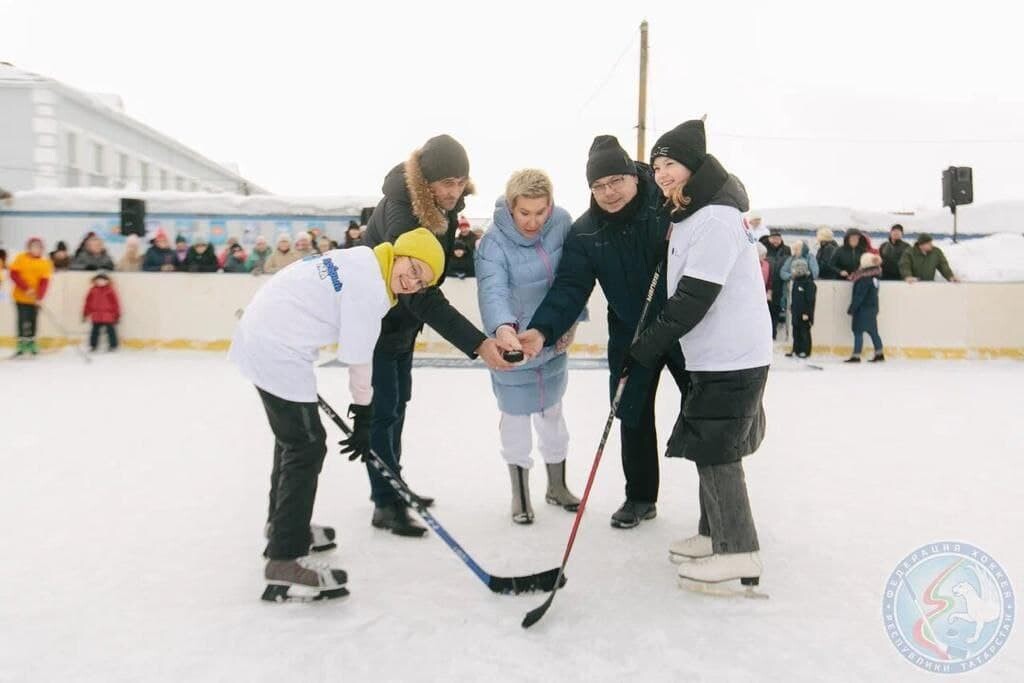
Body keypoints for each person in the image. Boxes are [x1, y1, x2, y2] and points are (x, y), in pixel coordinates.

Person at [230, 228, 444, 601]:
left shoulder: (364, 258)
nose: (412, 282)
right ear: (400, 253)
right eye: (413, 269)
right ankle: (284, 557)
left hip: (266, 335)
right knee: (306, 446)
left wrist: (363, 415)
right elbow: (359, 360)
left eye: (422, 282)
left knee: (294, 440)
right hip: (276, 347)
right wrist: (364, 414)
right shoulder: (371, 287)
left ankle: (282, 527)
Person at [629, 118, 770, 591]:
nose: (661, 174)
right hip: (715, 353)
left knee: (717, 450)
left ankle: (739, 552)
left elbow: (694, 297)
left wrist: (646, 347)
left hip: (731, 354)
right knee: (710, 444)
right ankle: (715, 535)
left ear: (694, 164)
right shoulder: (697, 213)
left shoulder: (715, 218)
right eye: (656, 167)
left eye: (669, 164)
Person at [519, 134, 687, 529]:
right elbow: (570, 288)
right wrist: (542, 330)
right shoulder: (586, 231)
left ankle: (716, 505)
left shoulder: (669, 207)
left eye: (616, 181)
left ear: (633, 176)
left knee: (703, 412)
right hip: (631, 332)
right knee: (631, 411)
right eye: (598, 186)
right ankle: (640, 497)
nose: (608, 193)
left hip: (684, 328)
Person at [360, 134, 513, 536]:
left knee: (398, 404)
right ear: (425, 180)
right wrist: (478, 343)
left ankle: (394, 483)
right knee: (383, 411)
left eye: (460, 182)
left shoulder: (443, 207)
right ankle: (385, 501)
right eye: (446, 182)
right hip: (376, 323)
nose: (454, 191)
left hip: (402, 325)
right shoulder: (402, 213)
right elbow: (420, 292)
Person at [475, 169, 581, 524]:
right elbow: (492, 290)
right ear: (511, 206)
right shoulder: (492, 243)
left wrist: (570, 322)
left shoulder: (562, 223)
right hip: (514, 345)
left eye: (540, 212)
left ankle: (557, 486)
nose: (533, 221)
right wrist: (503, 329)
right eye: (524, 213)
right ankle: (519, 496)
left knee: (553, 415)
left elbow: (574, 276)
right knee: (515, 420)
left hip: (551, 340)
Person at [9, 237, 54, 357]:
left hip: (34, 300)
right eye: (34, 246)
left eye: (39, 247)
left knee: (33, 321)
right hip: (20, 298)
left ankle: (32, 344)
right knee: (22, 321)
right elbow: (14, 274)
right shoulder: (21, 258)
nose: (36, 249)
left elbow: (44, 283)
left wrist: (39, 297)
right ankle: (21, 346)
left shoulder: (45, 263)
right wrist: (26, 288)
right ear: (29, 248)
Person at [845, 252, 885, 362]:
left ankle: (856, 355)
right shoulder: (875, 277)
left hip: (862, 309)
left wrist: (852, 308)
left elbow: (859, 296)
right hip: (872, 308)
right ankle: (879, 353)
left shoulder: (864, 279)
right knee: (873, 331)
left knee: (858, 332)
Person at [760, 229, 790, 339]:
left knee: (775, 311)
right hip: (765, 286)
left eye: (778, 238)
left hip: (779, 286)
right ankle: (764, 335)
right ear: (769, 238)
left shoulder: (786, 250)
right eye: (774, 238)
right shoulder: (764, 249)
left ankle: (773, 334)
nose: (776, 241)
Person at [82, 272, 120, 352]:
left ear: (107, 281)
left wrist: (116, 314)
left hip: (108, 315)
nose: (101, 282)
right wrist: (85, 313)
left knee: (111, 331)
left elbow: (115, 303)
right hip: (96, 315)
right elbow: (88, 302)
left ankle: (113, 345)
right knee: (94, 331)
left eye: (103, 280)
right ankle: (93, 345)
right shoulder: (92, 290)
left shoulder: (110, 290)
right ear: (95, 281)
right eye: (98, 280)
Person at [787, 259, 817, 358]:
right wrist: (792, 306)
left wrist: (807, 313)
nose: (793, 271)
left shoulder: (809, 283)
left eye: (794, 269)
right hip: (796, 312)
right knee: (795, 332)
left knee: (804, 332)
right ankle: (796, 349)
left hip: (804, 313)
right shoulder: (796, 282)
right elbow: (795, 297)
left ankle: (805, 350)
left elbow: (810, 300)